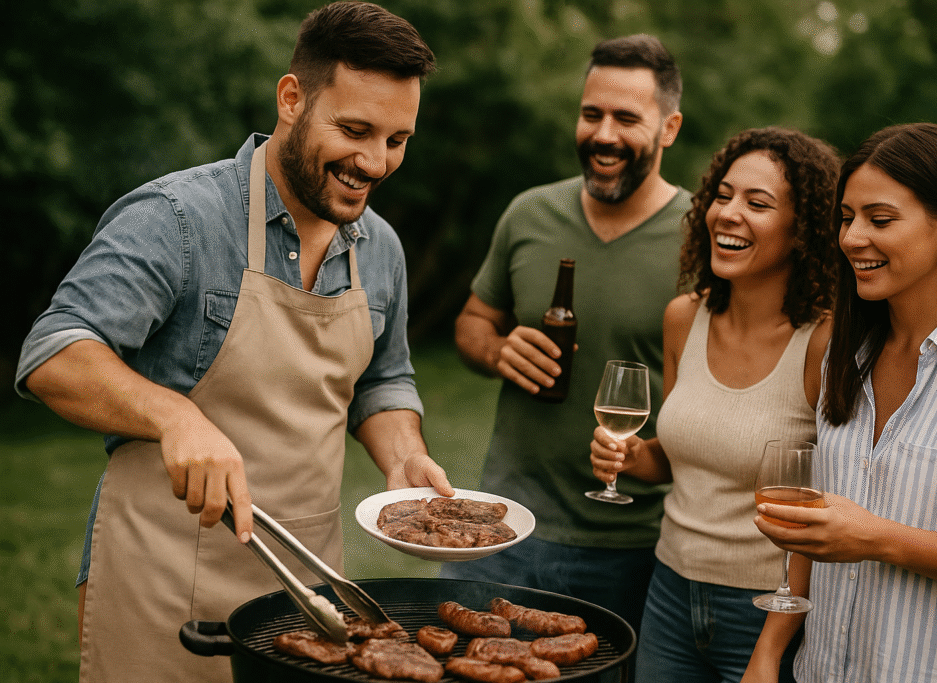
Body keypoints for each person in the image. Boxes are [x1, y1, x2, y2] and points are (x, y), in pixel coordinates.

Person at [14, 3, 454, 681]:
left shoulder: (381, 248)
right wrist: (173, 414)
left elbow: (382, 377)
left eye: (397, 140)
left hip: (305, 594)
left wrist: (404, 456)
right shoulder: (178, 220)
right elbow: (54, 351)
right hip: (160, 580)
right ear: (291, 99)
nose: (374, 162)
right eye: (355, 130)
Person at [745, 123, 937, 683]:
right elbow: (820, 524)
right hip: (822, 669)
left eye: (880, 219)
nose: (852, 238)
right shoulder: (846, 356)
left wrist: (880, 539)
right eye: (847, 219)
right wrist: (769, 653)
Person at [440, 34, 689, 633]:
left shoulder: (702, 238)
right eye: (591, 113)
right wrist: (498, 349)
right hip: (501, 527)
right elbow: (473, 323)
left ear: (669, 128)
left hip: (635, 542)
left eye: (626, 117)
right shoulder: (530, 214)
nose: (603, 134)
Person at [590, 127, 840, 682]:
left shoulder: (822, 342)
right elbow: (674, 460)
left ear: (802, 230)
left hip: (766, 609)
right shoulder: (685, 317)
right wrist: (630, 459)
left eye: (758, 203)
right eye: (723, 196)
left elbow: (823, 509)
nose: (728, 214)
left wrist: (772, 650)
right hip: (669, 594)